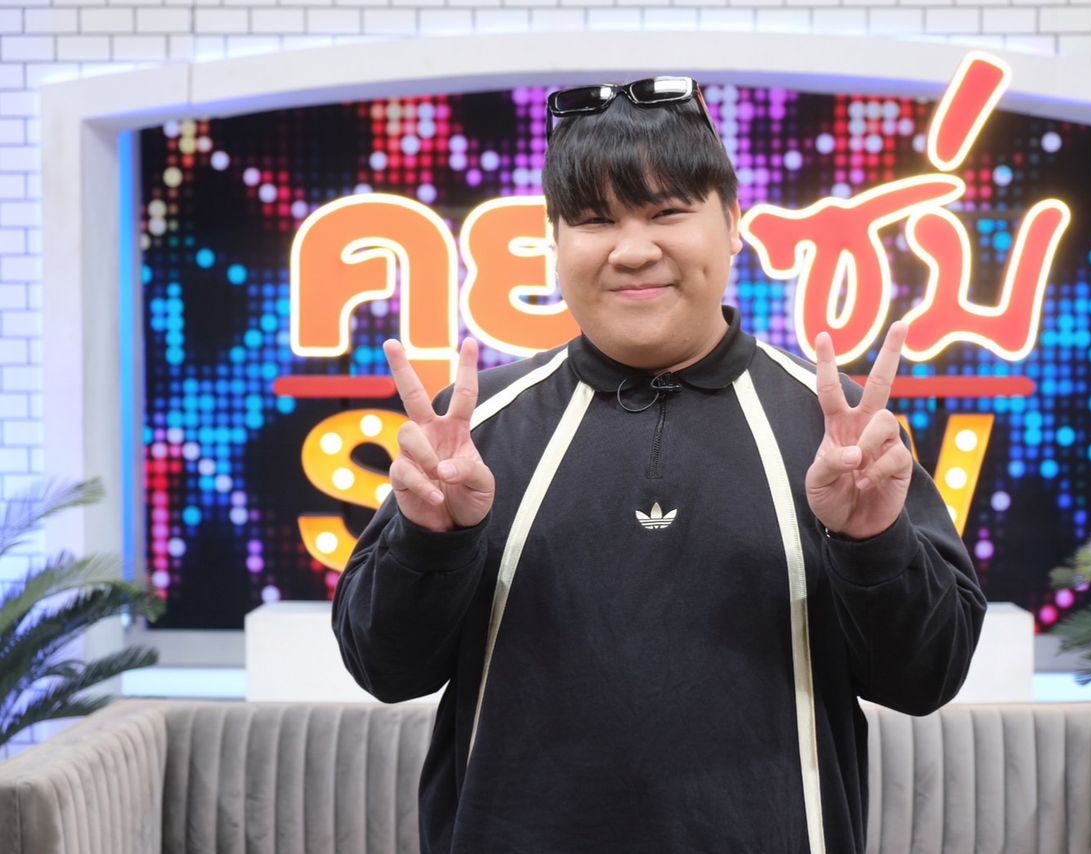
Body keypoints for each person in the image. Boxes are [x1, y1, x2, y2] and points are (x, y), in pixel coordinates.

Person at [332, 77, 986, 854]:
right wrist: (429, 541)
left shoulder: (836, 432)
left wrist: (873, 542)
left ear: (733, 223)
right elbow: (384, 668)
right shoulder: (478, 432)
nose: (633, 249)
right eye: (594, 219)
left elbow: (925, 679)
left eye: (668, 211)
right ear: (554, 241)